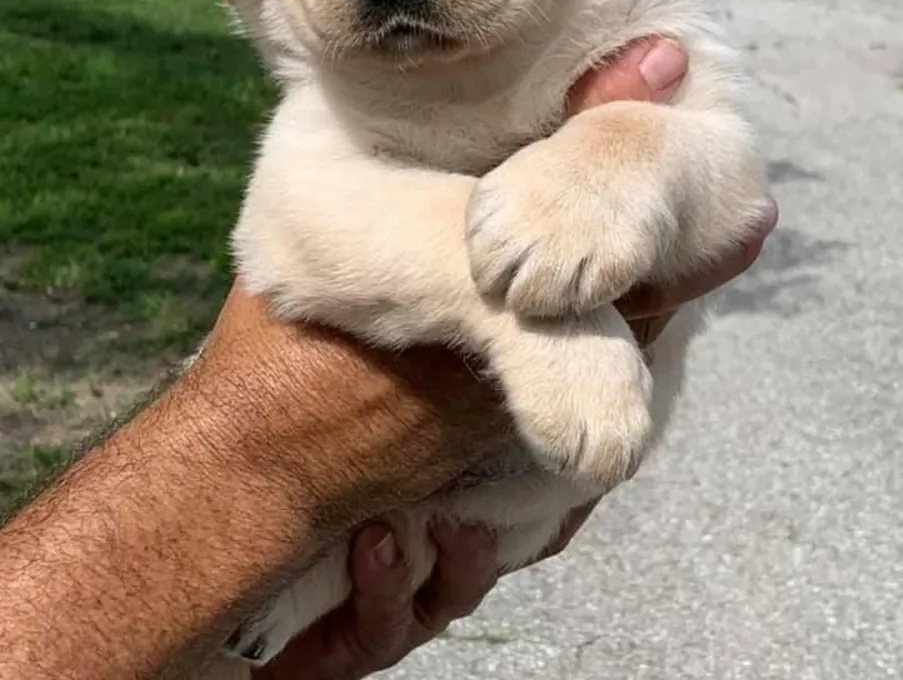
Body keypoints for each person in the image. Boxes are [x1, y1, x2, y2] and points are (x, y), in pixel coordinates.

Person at [0, 38, 777, 680]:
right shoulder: (348, 78)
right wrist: (516, 311)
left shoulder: (641, 5)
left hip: (455, 531)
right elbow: (295, 221)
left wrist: (622, 156)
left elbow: (733, 203)